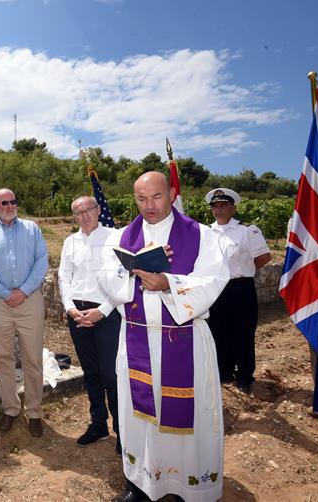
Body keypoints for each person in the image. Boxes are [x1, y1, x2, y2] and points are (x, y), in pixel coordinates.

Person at [99, 172, 229, 502]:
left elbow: (214, 278)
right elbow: (108, 281)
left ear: (172, 192)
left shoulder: (200, 235)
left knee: (190, 419)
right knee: (141, 419)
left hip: (183, 341)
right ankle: (142, 485)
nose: (149, 206)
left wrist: (168, 283)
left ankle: (191, 488)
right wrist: (130, 273)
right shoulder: (122, 237)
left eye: (156, 197)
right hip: (137, 341)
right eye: (141, 199)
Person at [0, 188, 49, 437]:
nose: (10, 205)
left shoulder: (32, 230)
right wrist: (5, 293)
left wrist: (24, 291)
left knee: (33, 358)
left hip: (29, 302)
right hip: (0, 304)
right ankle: (10, 408)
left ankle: (35, 412)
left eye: (13, 201)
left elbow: (42, 262)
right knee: (4, 358)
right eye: (4, 202)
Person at [58, 196, 122, 449]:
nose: (84, 215)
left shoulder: (116, 237)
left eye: (88, 210)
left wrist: (103, 310)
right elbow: (64, 277)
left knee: (112, 374)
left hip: (106, 314)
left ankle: (122, 431)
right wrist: (70, 309)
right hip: (77, 314)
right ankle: (98, 424)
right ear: (74, 216)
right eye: (78, 212)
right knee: (91, 373)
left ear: (98, 210)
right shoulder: (69, 242)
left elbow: (122, 278)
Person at [205, 188, 271, 393]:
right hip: (217, 288)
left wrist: (244, 270)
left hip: (240, 288)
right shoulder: (206, 232)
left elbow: (263, 257)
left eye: (224, 205)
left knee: (242, 332)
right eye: (215, 206)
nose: (219, 209)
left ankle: (244, 376)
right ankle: (223, 372)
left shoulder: (247, 231)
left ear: (233, 208)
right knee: (218, 331)